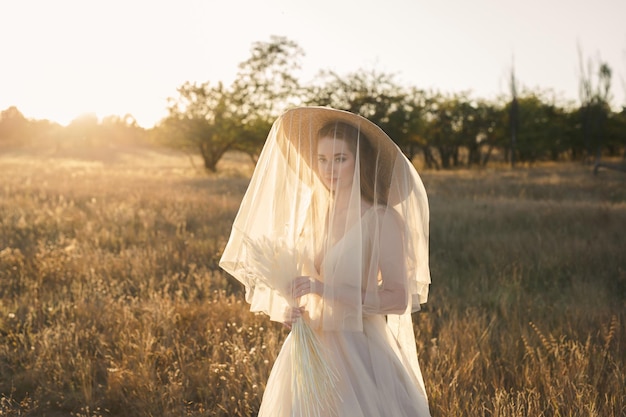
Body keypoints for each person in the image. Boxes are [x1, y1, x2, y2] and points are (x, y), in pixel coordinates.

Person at [220, 106, 431, 417]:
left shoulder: (381, 219)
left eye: (340, 159)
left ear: (360, 161)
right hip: (309, 351)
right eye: (322, 159)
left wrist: (324, 289)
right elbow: (305, 281)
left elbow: (398, 299)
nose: (329, 169)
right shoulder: (314, 216)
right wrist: (292, 309)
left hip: (360, 351)